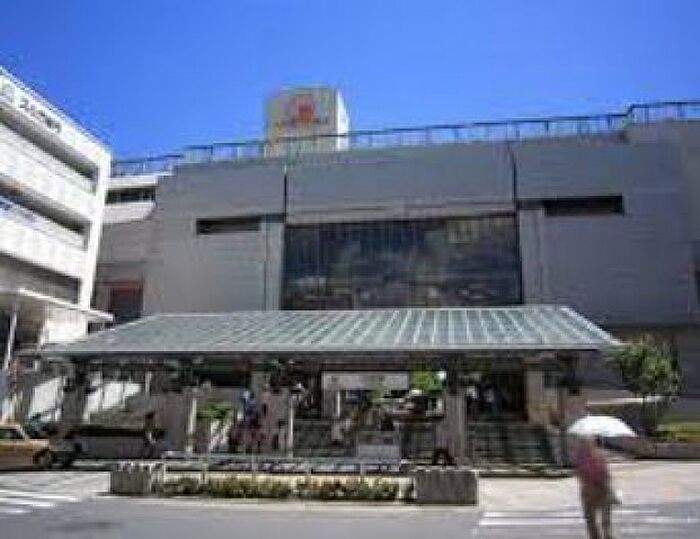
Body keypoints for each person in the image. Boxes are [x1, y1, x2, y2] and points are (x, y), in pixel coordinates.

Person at [575, 437, 615, 539]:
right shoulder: (595, 455)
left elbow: (580, 473)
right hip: (595, 487)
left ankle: (603, 535)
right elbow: (605, 473)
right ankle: (603, 535)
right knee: (596, 516)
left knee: (597, 515)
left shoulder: (584, 455)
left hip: (595, 487)